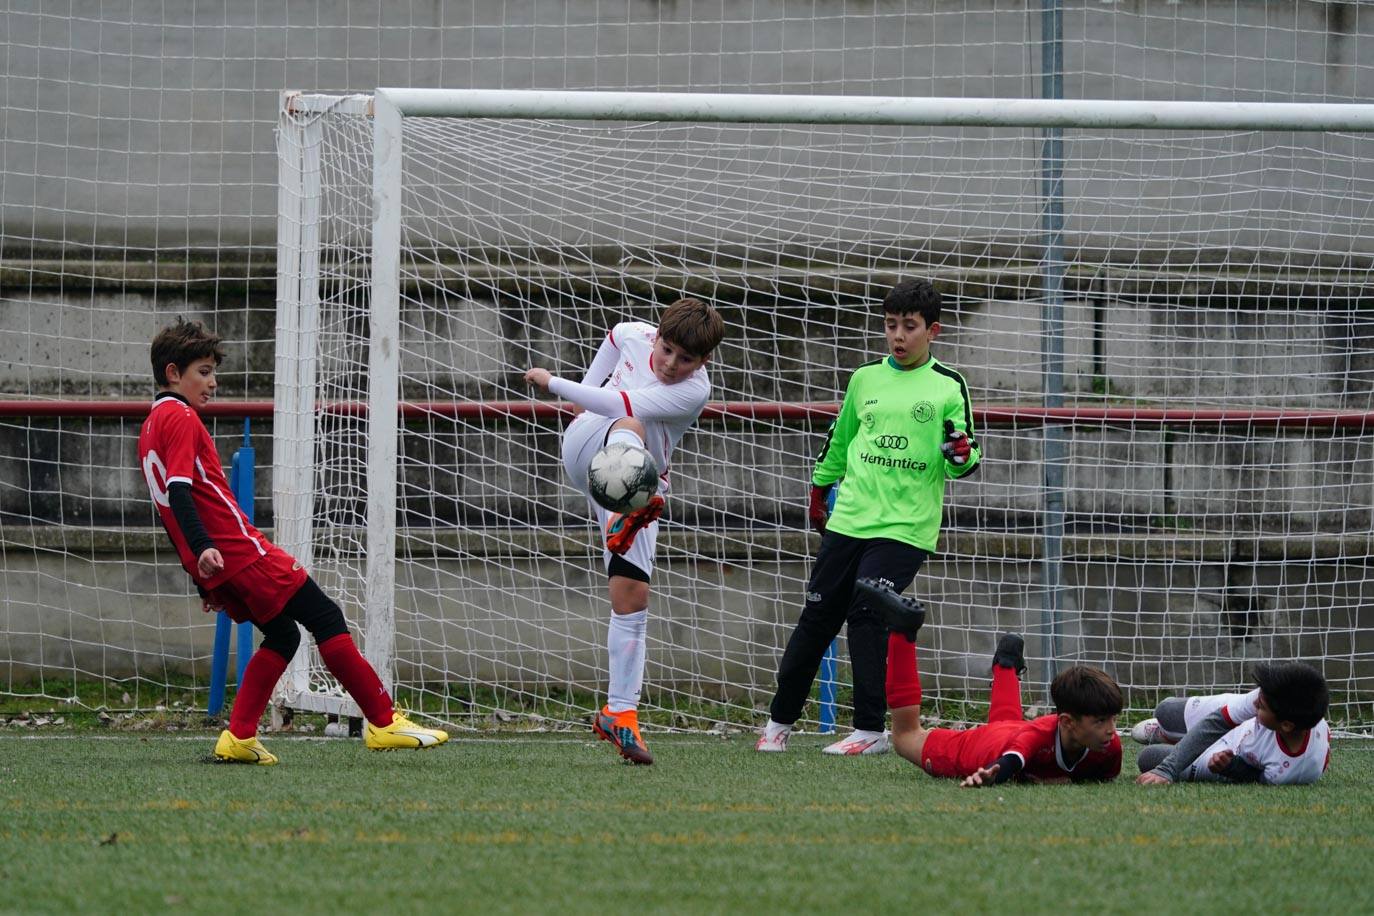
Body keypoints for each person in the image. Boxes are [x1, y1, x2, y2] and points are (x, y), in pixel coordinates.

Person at [138, 319, 448, 765]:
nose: (213, 382)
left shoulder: (151, 423)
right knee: (325, 615)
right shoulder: (180, 417)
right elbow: (179, 491)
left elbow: (167, 502)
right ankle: (384, 722)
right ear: (173, 373)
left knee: (283, 635)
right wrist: (206, 545)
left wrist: (197, 566)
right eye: (203, 372)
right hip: (238, 550)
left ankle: (239, 736)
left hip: (216, 559)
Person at [756, 278, 981, 755]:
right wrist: (819, 487)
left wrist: (960, 452)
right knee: (817, 617)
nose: (898, 336)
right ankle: (778, 723)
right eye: (891, 325)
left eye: (910, 327)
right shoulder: (864, 379)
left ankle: (870, 729)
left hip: (905, 527)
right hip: (851, 518)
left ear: (932, 331)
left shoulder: (948, 385)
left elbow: (963, 460)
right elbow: (840, 441)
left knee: (866, 614)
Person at [524, 297, 726, 765]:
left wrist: (553, 381)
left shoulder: (694, 390)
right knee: (629, 422)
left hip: (639, 487)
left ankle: (620, 713)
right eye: (668, 350)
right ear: (656, 336)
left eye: (686, 359)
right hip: (589, 446)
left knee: (632, 598)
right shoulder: (635, 335)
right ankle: (627, 512)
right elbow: (615, 338)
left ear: (703, 362)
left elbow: (621, 397)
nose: (672, 364)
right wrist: (576, 394)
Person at [863, 580, 1122, 785]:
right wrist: (989, 774)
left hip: (1009, 730)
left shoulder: (1110, 749)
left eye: (1112, 718)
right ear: (1065, 721)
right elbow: (1010, 761)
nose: (1111, 730)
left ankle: (1006, 665)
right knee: (905, 736)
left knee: (1007, 726)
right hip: (980, 747)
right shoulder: (1037, 737)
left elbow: (1090, 776)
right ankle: (902, 630)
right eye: (1100, 721)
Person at [1133, 662, 1330, 786]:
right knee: (1165, 710)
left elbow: (1254, 778)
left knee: (1149, 759)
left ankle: (1176, 739)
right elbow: (1217, 722)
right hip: (1230, 723)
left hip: (1229, 754)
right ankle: (1167, 734)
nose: (1255, 703)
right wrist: (1167, 769)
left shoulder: (1290, 772)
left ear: (1286, 725)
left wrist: (1230, 766)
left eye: (1260, 706)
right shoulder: (1273, 696)